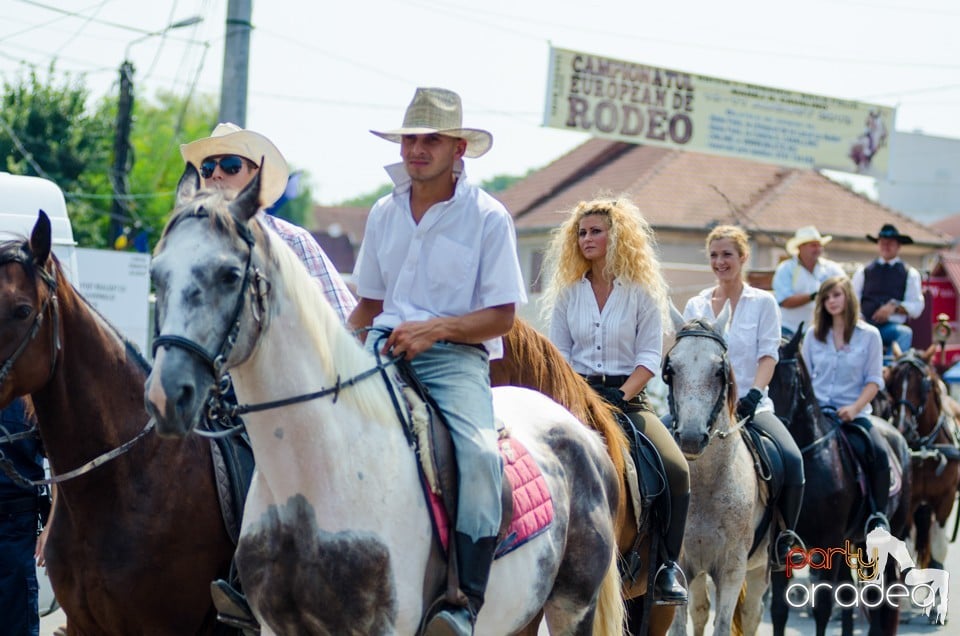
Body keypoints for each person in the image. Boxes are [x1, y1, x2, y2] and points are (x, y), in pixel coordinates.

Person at [348, 87, 527, 636]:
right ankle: (255, 570)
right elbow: (371, 305)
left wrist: (437, 329)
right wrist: (331, 343)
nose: (416, 149)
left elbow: (502, 317)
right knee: (298, 422)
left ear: (458, 150)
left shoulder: (489, 218)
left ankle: (462, 602)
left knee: (477, 456)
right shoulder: (383, 211)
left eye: (431, 139)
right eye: (410, 138)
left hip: (454, 361)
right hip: (381, 349)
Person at [542, 196, 690, 605]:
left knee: (677, 470)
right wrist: (583, 394)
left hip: (629, 399)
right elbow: (559, 355)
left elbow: (648, 358)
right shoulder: (569, 294)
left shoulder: (641, 293)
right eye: (582, 232)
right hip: (576, 398)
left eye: (596, 231)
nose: (587, 238)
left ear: (617, 236)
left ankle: (666, 569)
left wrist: (620, 395)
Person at [683, 224, 804, 569]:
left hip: (752, 406)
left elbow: (769, 354)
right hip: (702, 410)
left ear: (743, 257)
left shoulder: (764, 302)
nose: (720, 262)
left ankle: (785, 538)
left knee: (792, 459)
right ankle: (663, 539)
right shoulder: (696, 305)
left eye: (727, 255)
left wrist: (755, 393)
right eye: (714, 255)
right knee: (659, 451)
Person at [180, 122, 356, 322]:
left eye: (231, 166)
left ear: (255, 175)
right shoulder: (191, 244)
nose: (217, 174)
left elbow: (343, 321)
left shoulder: (291, 240)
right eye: (208, 168)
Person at [801, 275, 890, 532]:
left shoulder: (870, 335)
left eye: (836, 295)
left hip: (854, 414)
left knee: (879, 452)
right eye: (826, 297)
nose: (831, 301)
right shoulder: (813, 336)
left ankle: (877, 516)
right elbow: (805, 379)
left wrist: (854, 408)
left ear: (848, 296)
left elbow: (874, 381)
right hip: (818, 415)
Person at [0, 398, 47, 636]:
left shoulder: (28, 395)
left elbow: (61, 462)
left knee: (16, 623)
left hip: (17, 526)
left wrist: (51, 527)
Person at [851, 223, 924, 358]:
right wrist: (860, 318)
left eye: (890, 243)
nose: (886, 246)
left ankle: (889, 369)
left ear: (898, 246)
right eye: (882, 242)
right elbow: (852, 299)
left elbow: (916, 306)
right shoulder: (863, 271)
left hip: (891, 327)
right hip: (864, 325)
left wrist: (894, 307)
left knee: (904, 333)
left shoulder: (909, 273)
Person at [772, 225, 845, 338]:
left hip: (822, 328)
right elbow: (784, 301)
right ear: (801, 247)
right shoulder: (785, 269)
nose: (818, 249)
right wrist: (815, 296)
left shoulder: (832, 268)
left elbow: (847, 291)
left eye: (819, 245)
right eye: (813, 245)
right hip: (788, 329)